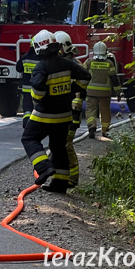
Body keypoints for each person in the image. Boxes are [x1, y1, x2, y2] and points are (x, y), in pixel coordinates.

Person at [22, 29, 91, 193]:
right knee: (58, 147)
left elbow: (38, 90)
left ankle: (44, 167)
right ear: (56, 45)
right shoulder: (68, 64)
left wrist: (39, 98)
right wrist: (73, 90)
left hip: (44, 115)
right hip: (64, 116)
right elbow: (85, 77)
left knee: (29, 138)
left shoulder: (41, 67)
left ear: (39, 48)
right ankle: (60, 184)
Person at [54, 30, 83, 187]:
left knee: (66, 144)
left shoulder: (75, 66)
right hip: (61, 111)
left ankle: (73, 178)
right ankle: (60, 177)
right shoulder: (61, 65)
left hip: (72, 112)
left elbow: (80, 90)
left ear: (63, 48)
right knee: (58, 144)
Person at [83, 41, 121, 139]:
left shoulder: (89, 62)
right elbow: (114, 79)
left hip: (91, 92)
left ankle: (92, 127)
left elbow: (82, 75)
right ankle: (105, 131)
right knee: (105, 112)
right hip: (105, 93)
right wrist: (118, 92)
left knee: (90, 110)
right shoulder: (109, 64)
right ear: (105, 52)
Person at [16, 46, 41, 129]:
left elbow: (18, 68)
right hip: (38, 88)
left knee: (27, 108)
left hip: (26, 88)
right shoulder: (41, 59)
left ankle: (26, 122)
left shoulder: (25, 57)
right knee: (38, 107)